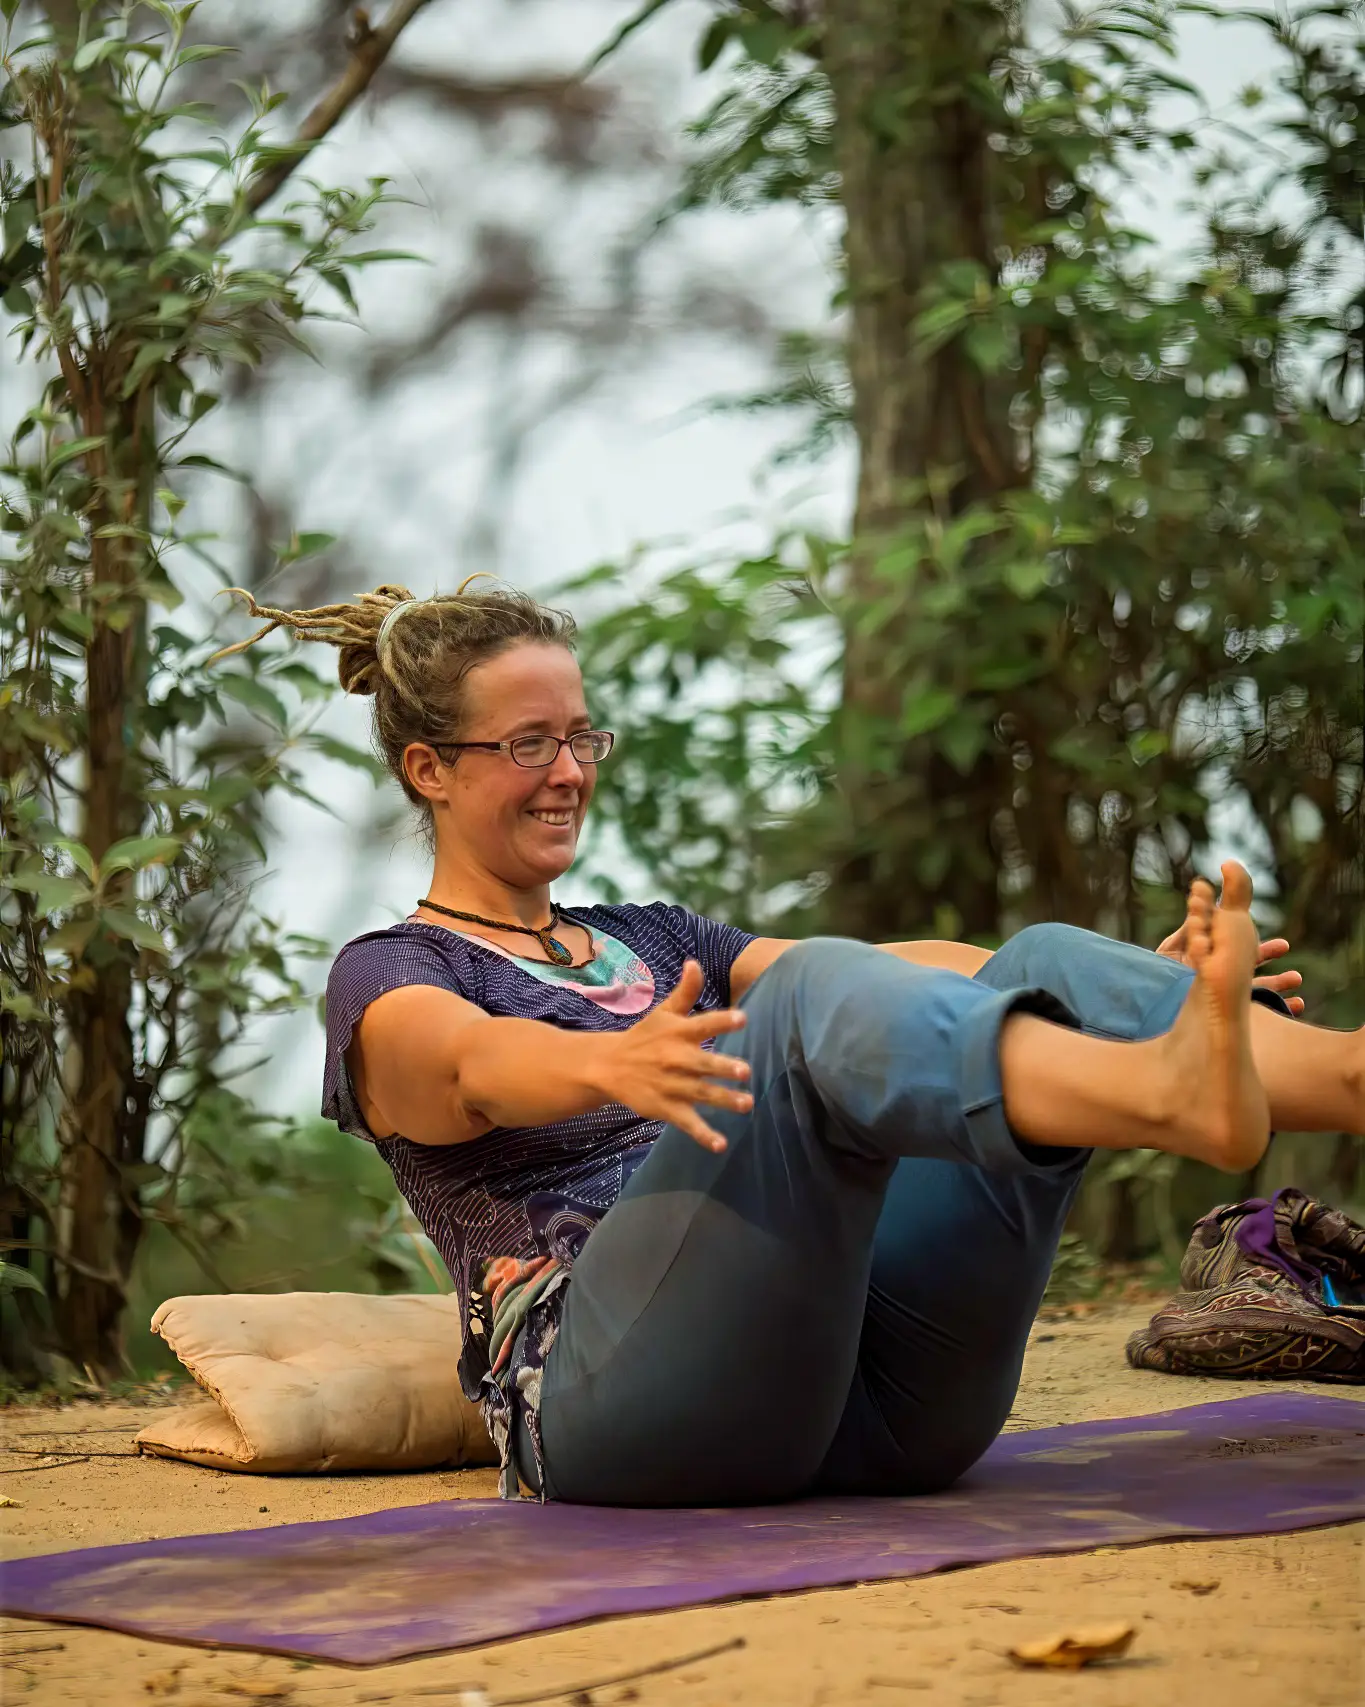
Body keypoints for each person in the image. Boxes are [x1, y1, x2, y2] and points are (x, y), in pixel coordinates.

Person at [213, 580, 1362, 1506]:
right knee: (805, 1001)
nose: (568, 772)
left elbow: (904, 979)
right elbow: (464, 1065)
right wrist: (606, 1064)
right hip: (625, 1404)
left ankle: (1336, 1072)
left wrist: (1114, 998)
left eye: (579, 738)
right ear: (430, 769)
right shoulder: (394, 970)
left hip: (876, 1407)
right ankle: (1169, 1094)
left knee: (1041, 963)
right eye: (527, 745)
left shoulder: (653, 939)